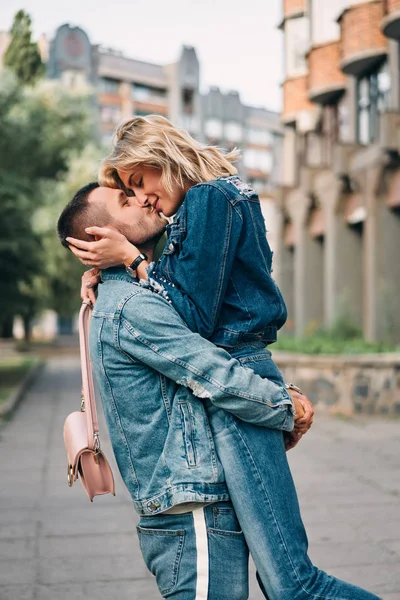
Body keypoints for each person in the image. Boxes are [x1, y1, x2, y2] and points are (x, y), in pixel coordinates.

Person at [62, 180, 381, 600]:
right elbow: (212, 373)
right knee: (298, 587)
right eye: (126, 199)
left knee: (292, 586)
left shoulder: (134, 294)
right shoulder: (132, 307)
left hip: (187, 507)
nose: (141, 198)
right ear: (100, 236)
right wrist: (286, 406)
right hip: (189, 514)